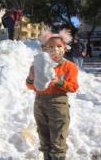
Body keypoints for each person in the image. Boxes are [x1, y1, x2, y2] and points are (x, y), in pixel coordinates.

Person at [26, 30, 78, 160]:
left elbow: (74, 87)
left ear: (65, 48)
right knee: (44, 138)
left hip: (58, 104)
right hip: (39, 103)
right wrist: (31, 77)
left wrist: (59, 82)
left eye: (59, 46)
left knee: (58, 140)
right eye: (50, 46)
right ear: (43, 49)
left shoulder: (69, 66)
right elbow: (30, 86)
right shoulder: (38, 64)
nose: (55, 49)